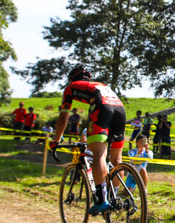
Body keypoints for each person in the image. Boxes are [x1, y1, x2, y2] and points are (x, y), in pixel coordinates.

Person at [51, 65, 127, 215]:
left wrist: (56, 140)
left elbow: (63, 118)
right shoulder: (100, 85)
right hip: (120, 109)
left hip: (102, 109)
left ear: (72, 79)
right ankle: (114, 197)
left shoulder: (70, 87)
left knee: (98, 153)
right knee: (117, 159)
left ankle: (102, 200)